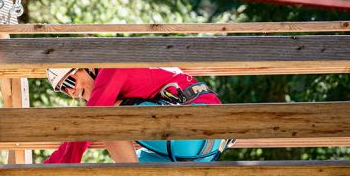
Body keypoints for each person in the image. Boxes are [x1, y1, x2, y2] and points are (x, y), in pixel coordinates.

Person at [45, 67, 230, 164]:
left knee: (105, 117)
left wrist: (50, 170)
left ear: (86, 67)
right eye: (63, 90)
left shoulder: (112, 69)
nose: (71, 92)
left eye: (69, 81)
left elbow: (87, 125)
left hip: (196, 131)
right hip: (199, 150)